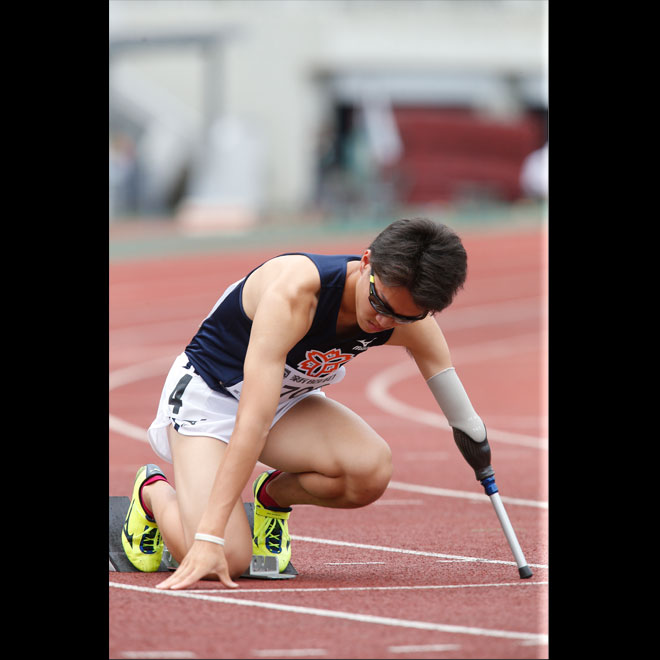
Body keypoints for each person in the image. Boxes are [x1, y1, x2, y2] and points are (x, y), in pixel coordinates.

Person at [120, 217, 492, 591]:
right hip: (211, 398)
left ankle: (271, 497)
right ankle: (153, 494)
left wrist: (480, 454)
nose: (382, 321)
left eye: (403, 316)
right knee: (226, 557)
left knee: (369, 472)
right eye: (379, 303)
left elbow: (459, 409)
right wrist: (210, 538)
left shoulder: (408, 314)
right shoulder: (296, 293)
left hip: (288, 403)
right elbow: (252, 421)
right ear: (366, 263)